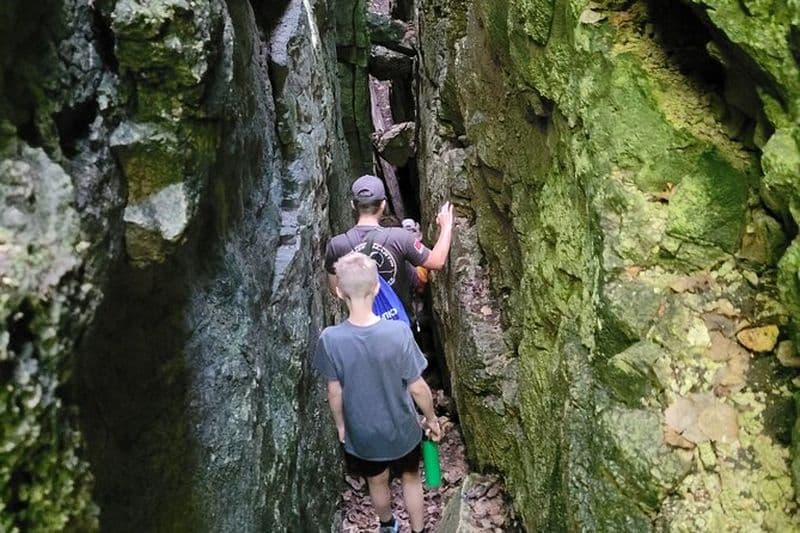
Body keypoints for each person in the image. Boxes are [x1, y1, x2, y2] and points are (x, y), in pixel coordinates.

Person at [313, 252, 442, 533]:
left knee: (377, 481)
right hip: (402, 427)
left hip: (363, 433)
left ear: (338, 291)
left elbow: (334, 391)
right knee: (410, 477)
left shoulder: (330, 339)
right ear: (376, 288)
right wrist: (431, 418)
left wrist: (341, 428)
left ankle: (388, 525)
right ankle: (418, 530)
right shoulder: (398, 332)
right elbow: (418, 386)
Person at [325, 174, 453, 315]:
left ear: (353, 205)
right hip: (397, 323)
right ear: (383, 204)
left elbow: (336, 289)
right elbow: (438, 261)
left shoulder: (337, 245)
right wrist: (446, 226)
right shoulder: (400, 237)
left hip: (361, 328)